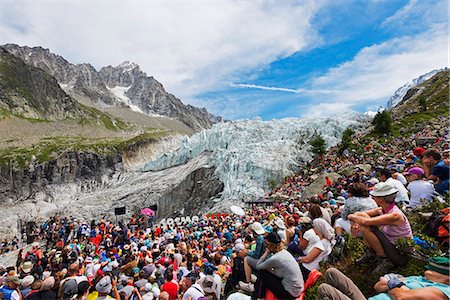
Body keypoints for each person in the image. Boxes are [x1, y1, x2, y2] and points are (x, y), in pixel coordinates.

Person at [348, 182, 413, 275]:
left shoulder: (395, 215)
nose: (372, 198)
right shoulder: (383, 209)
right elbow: (358, 214)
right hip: (391, 244)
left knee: (366, 227)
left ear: (381, 199)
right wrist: (354, 222)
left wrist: (353, 218)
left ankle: (384, 259)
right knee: (363, 219)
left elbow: (366, 222)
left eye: (375, 196)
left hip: (399, 252)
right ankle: (371, 252)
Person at [318, 256, 450, 300]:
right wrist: (397, 287)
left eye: (433, 269)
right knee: (331, 273)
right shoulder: (419, 278)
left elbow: (401, 297)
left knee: (324, 290)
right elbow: (378, 286)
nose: (428, 270)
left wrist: (393, 285)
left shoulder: (443, 290)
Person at [254, 231, 304, 300]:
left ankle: (259, 296)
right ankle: (257, 287)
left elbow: (258, 266)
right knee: (266, 274)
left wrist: (266, 253)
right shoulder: (285, 252)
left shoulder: (275, 258)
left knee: (263, 272)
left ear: (270, 245)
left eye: (267, 244)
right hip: (297, 289)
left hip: (289, 294)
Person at [240, 222, 266, 293]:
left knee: (246, 259)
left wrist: (247, 252)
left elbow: (256, 255)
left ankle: (248, 283)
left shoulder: (259, 239)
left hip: (262, 260)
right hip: (265, 259)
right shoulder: (263, 236)